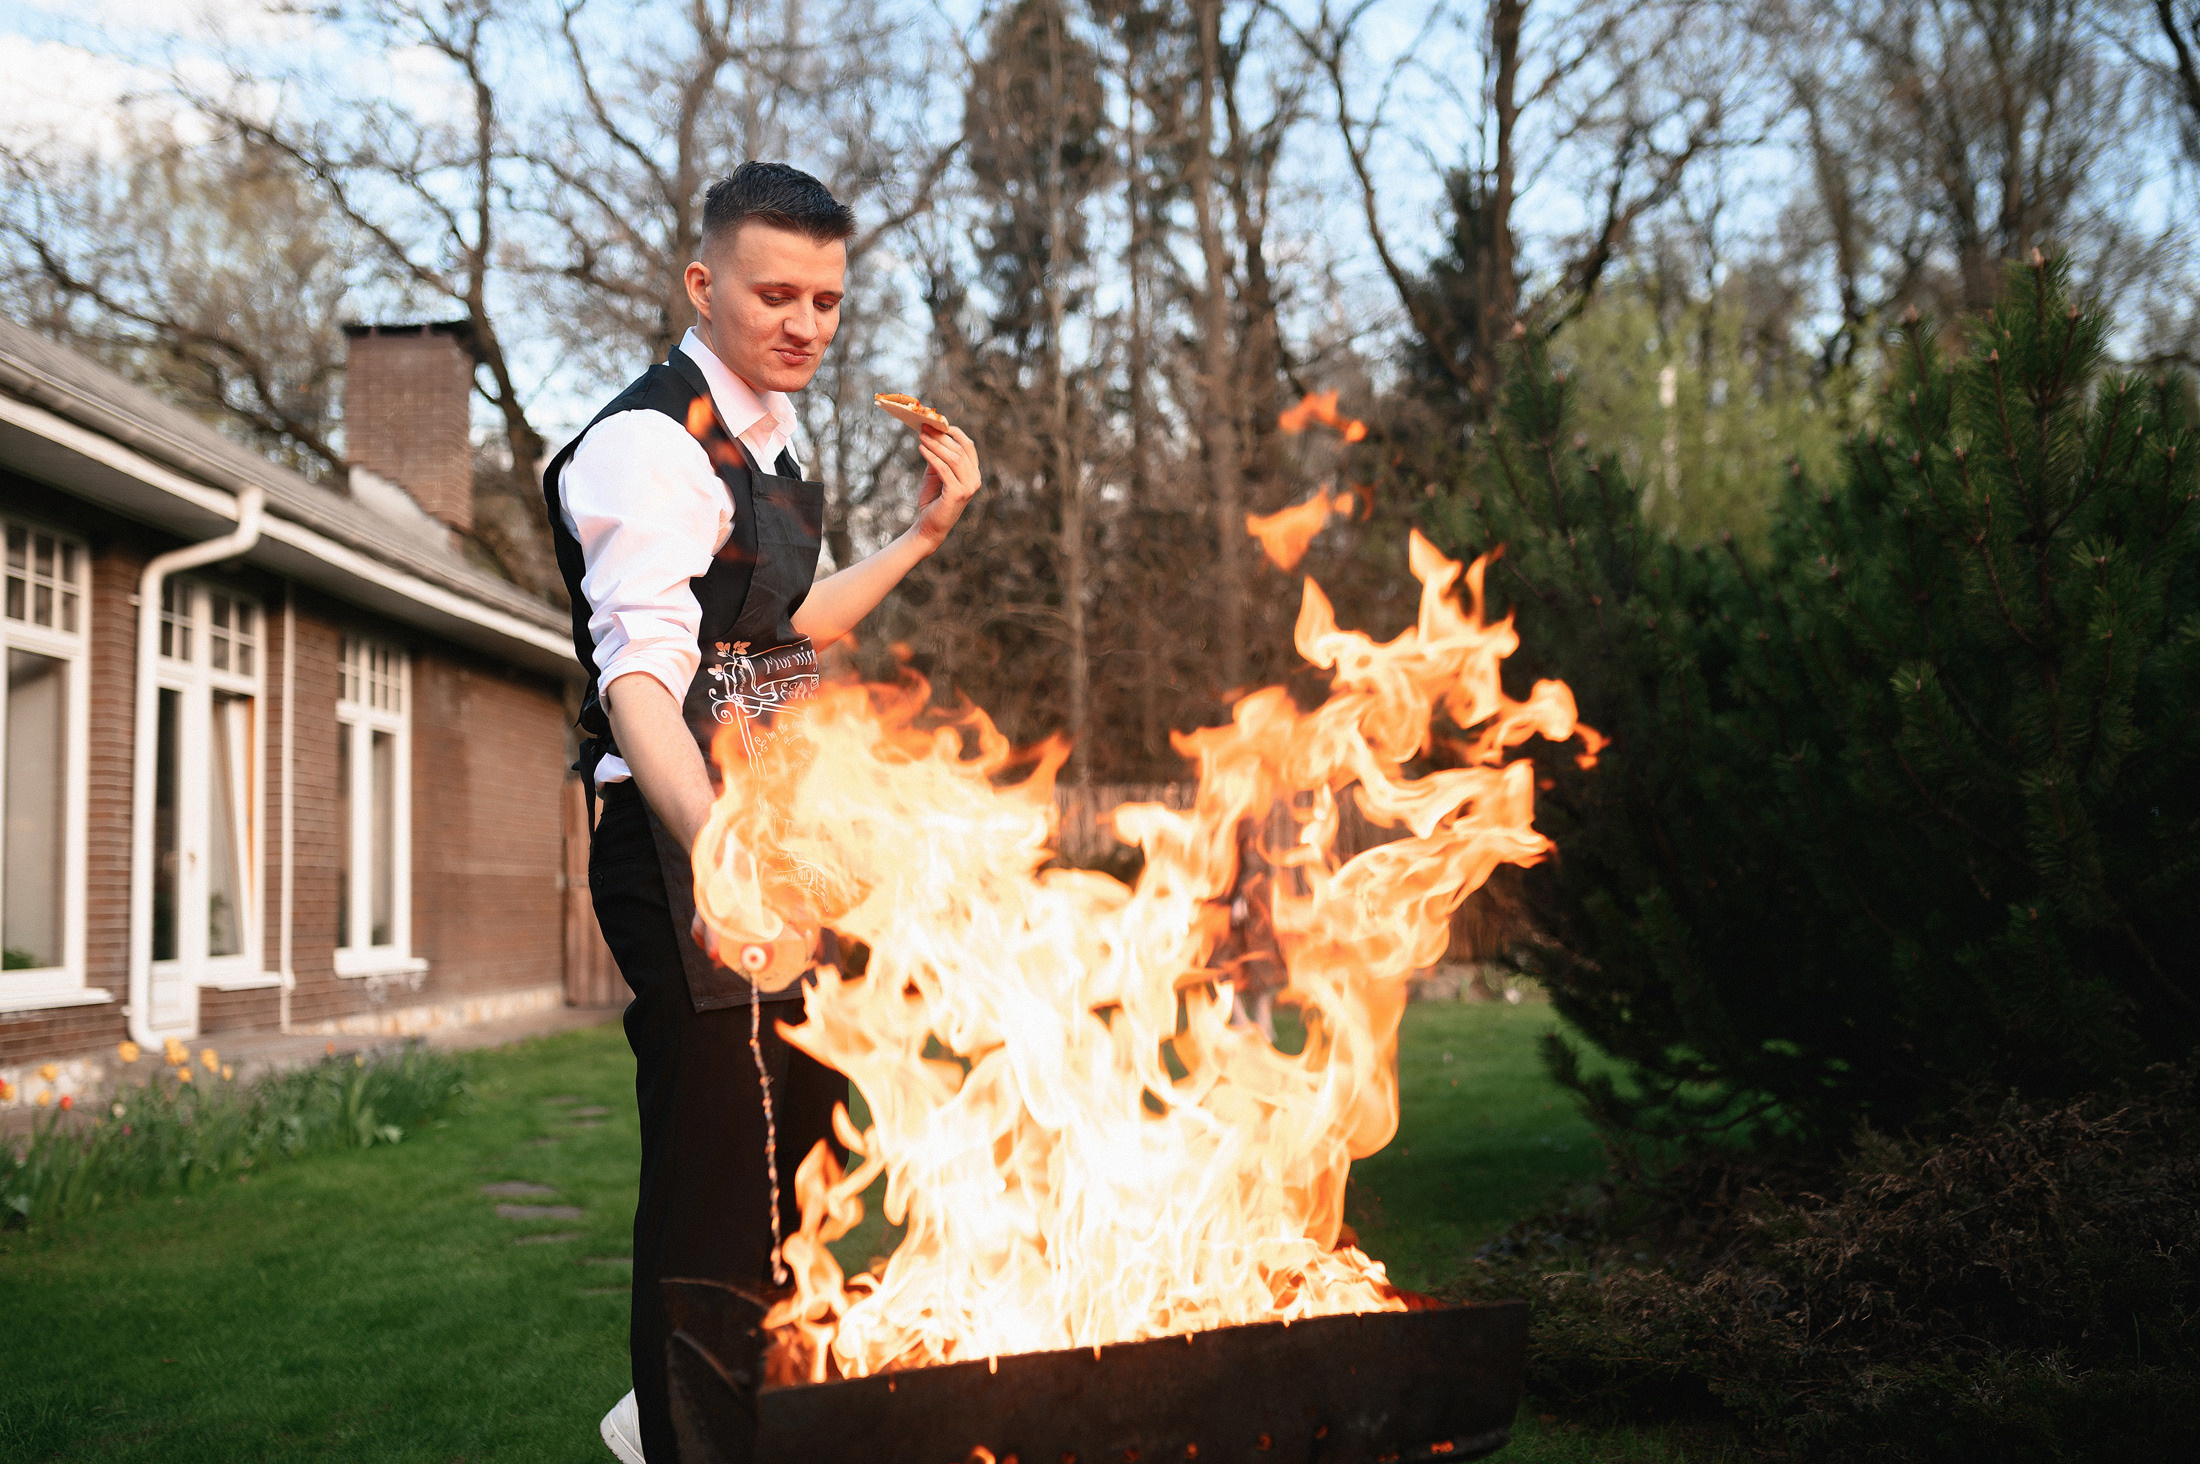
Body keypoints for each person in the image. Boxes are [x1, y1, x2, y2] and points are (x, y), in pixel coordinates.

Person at [540, 161, 981, 1464]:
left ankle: (725, 1408)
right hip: (682, 850)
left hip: (780, 840)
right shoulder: (649, 447)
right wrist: (719, 853)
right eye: (774, 292)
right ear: (703, 283)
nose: (806, 323)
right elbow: (638, 681)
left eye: (829, 301)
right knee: (717, 1175)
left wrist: (924, 539)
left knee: (813, 1128)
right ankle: (677, 1443)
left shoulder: (779, 443)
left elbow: (781, 633)